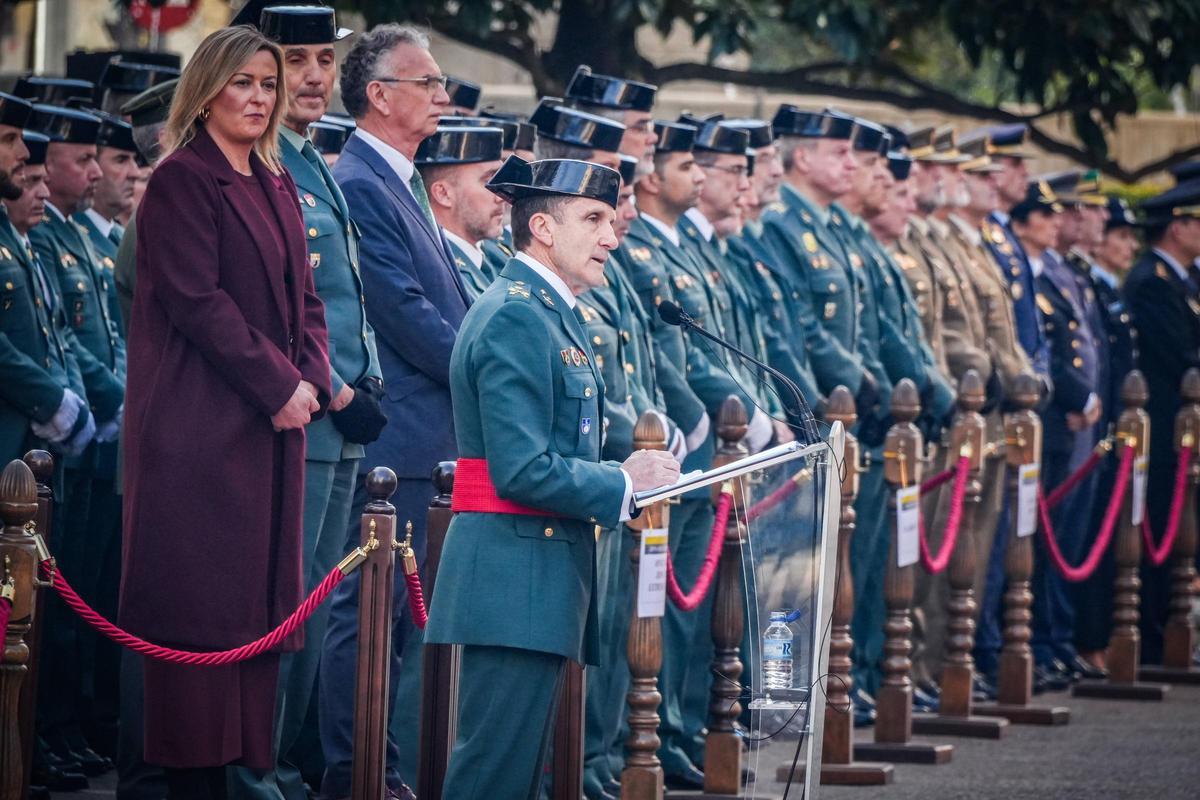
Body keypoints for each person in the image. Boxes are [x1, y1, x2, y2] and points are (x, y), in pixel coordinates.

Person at [425, 155, 681, 799]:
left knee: (515, 773)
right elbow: (521, 470)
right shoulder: (518, 315)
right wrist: (622, 482)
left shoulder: (547, 309)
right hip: (516, 576)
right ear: (541, 226)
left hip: (536, 574)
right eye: (593, 219)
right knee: (492, 773)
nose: (612, 237)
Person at [120, 25, 330, 798]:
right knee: (202, 609)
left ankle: (242, 769)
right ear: (208, 89)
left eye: (267, 85)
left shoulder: (273, 179)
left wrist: (309, 374)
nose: (259, 97)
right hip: (200, 436)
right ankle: (194, 779)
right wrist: (280, 387)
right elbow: (197, 301)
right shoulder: (182, 179)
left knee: (255, 611)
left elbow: (307, 299)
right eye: (243, 82)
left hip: (267, 431)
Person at [227, 7, 384, 800]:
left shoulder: (313, 160)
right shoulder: (253, 161)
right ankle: (260, 775)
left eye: (327, 58)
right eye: (298, 58)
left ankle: (284, 769)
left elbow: (340, 291)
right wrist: (336, 384)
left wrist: (368, 377)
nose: (317, 75)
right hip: (297, 414)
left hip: (338, 415)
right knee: (284, 609)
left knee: (314, 613)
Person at [321, 23, 464, 800]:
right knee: (368, 614)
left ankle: (385, 767)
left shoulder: (397, 179)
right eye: (428, 83)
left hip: (425, 438)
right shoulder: (362, 183)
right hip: (397, 438)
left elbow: (443, 302)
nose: (443, 95)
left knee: (400, 627)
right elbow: (404, 314)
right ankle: (355, 772)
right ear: (379, 96)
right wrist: (482, 370)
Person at [25, 101, 122, 777]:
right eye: (82, 159)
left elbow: (87, 334)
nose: (90, 172)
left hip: (85, 433)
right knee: (51, 591)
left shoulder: (77, 237)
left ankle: (67, 722)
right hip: (47, 440)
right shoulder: (39, 238)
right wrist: (104, 397)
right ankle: (40, 729)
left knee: (81, 587)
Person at [1123, 179, 1200, 664]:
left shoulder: (1180, 280)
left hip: (1180, 430)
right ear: (1178, 227)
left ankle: (1166, 631)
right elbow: (1181, 356)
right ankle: (1151, 638)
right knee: (1158, 526)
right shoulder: (1152, 280)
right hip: (1164, 424)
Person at [416, 125, 506, 300]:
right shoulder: (437, 273)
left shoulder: (491, 258)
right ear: (443, 194)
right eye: (489, 182)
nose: (501, 197)